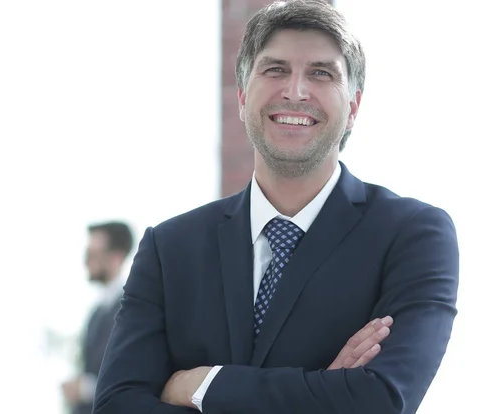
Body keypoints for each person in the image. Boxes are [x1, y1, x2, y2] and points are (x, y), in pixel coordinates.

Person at [93, 1, 459, 413]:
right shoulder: (169, 248)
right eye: (275, 69)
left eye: (321, 73)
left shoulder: (412, 235)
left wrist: (203, 386)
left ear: (353, 107)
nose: (295, 91)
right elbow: (115, 406)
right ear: (243, 97)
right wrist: (327, 393)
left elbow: (381, 399)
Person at [61, 221, 134, 414]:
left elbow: (132, 377)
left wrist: (85, 389)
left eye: (93, 254)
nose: (86, 262)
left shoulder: (133, 309)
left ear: (116, 257)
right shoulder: (96, 312)